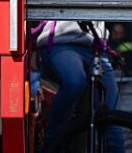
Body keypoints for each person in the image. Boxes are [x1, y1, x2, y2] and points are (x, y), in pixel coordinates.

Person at [35, 21, 122, 150]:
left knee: (112, 112)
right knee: (74, 81)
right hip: (60, 42)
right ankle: (52, 142)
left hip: (95, 46)